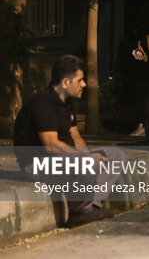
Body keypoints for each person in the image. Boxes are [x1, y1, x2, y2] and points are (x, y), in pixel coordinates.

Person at [13, 55, 124, 228]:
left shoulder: (68, 103)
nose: (84, 85)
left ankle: (93, 206)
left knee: (115, 156)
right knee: (87, 161)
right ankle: (79, 212)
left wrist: (92, 155)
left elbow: (76, 138)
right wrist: (87, 159)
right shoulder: (43, 103)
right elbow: (51, 145)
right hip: (36, 164)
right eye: (80, 80)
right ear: (65, 82)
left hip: (64, 160)